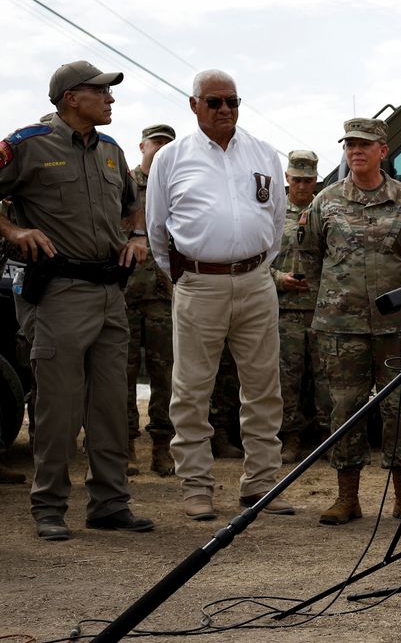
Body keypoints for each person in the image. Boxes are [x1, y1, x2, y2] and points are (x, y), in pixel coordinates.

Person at [0, 60, 155, 540]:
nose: (111, 99)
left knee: (110, 404)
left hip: (110, 291)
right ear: (71, 97)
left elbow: (133, 206)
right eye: (102, 91)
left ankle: (110, 504)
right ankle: (49, 505)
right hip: (58, 293)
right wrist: (14, 229)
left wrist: (139, 238)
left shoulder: (110, 151)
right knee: (59, 405)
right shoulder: (26, 145)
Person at [147, 69, 292, 521]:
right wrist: (188, 276)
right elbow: (156, 229)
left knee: (264, 389)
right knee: (191, 391)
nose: (225, 110)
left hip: (255, 283)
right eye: (214, 102)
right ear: (194, 105)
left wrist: (256, 270)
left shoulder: (264, 153)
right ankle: (196, 486)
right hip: (197, 284)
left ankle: (262, 485)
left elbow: (277, 224)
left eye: (232, 101)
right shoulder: (171, 159)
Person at [303, 119, 401, 526]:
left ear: (383, 150)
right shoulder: (326, 201)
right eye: (351, 144)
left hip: (398, 325)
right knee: (344, 408)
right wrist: (333, 302)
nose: (356, 151)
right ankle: (347, 499)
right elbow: (311, 257)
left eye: (365, 144)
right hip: (342, 325)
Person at [124, 123, 177, 477]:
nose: (159, 149)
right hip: (123, 293)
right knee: (120, 373)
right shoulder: (121, 182)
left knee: (165, 374)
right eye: (155, 143)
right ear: (142, 145)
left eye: (166, 144)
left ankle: (162, 446)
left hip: (163, 295)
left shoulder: (177, 186)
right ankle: (124, 445)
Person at [271, 149, 331, 463]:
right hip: (285, 310)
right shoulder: (272, 212)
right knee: (286, 378)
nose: (303, 186)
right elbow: (255, 259)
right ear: (287, 177)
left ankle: (328, 437)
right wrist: (280, 278)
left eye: (308, 180)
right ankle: (290, 438)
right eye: (296, 179)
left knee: (327, 378)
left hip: (322, 308)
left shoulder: (328, 210)